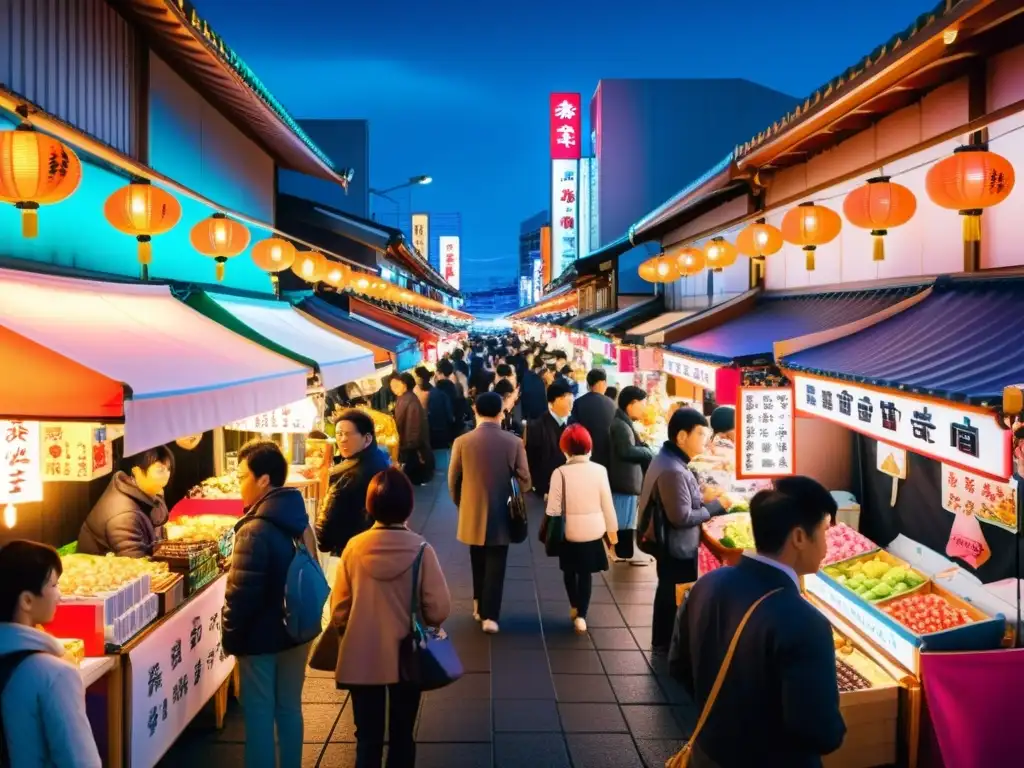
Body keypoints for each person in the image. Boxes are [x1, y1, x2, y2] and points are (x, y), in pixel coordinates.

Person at [669, 477, 846, 767]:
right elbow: (821, 732)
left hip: (708, 753)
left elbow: (678, 666)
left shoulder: (706, 584)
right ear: (799, 537)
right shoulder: (805, 622)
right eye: (824, 532)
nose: (826, 547)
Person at [331, 468, 451, 768]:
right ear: (408, 506)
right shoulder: (422, 550)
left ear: (370, 505)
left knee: (367, 738)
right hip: (407, 657)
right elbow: (438, 609)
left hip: (362, 654)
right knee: (402, 735)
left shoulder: (354, 548)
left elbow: (339, 610)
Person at [223, 440, 319, 768]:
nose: (238, 484)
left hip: (262, 639)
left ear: (263, 480)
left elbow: (240, 595)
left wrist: (231, 639)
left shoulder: (254, 530)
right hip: (297, 631)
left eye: (241, 476)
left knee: (259, 713)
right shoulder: (300, 519)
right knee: (289, 707)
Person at [0, 541, 102, 767]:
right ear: (27, 600)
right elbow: (80, 762)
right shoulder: (54, 675)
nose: (60, 596)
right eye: (54, 585)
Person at [638, 408, 732, 651]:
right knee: (672, 590)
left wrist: (702, 498)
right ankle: (668, 644)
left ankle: (663, 641)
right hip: (675, 544)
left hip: (670, 542)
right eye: (700, 434)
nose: (704, 439)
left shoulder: (670, 461)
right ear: (682, 436)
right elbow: (681, 517)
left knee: (668, 589)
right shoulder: (672, 469)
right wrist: (715, 506)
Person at [449, 392, 531, 634]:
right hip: (502, 510)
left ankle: (477, 604)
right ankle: (490, 616)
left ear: (475, 411)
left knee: (477, 557)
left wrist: (461, 503)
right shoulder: (513, 442)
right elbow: (525, 480)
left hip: (472, 509)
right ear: (500, 413)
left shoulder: (462, 442)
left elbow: (453, 480)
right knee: (497, 560)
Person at [545, 425, 618, 634]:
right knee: (586, 574)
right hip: (593, 532)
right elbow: (607, 505)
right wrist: (613, 533)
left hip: (568, 533)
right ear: (589, 447)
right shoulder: (600, 471)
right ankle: (582, 617)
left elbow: (553, 510)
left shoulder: (559, 473)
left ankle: (574, 605)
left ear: (564, 449)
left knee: (569, 571)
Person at [316, 409, 391, 556]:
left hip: (350, 551)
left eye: (348, 434)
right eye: (339, 434)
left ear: (367, 438)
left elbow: (324, 537)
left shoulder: (349, 477)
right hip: (375, 546)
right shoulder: (379, 458)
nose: (342, 439)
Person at [77, 446, 173, 558]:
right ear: (137, 472)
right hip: (104, 572)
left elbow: (158, 534)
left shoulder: (151, 493)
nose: (167, 475)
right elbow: (135, 563)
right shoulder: (125, 515)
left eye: (168, 469)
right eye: (160, 470)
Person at [608, 386, 655, 564]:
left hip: (626, 479)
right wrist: (647, 452)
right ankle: (623, 553)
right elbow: (625, 451)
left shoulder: (623, 422)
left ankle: (625, 551)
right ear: (631, 404)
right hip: (624, 480)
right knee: (624, 520)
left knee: (626, 519)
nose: (644, 409)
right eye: (642, 404)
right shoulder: (621, 425)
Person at [524, 381, 573, 498]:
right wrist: (542, 488)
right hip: (545, 493)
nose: (571, 403)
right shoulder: (537, 427)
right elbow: (533, 460)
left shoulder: (573, 424)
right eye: (567, 399)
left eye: (572, 399)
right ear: (555, 401)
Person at [391, 372, 433, 484]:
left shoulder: (409, 400)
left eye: (396, 385)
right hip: (409, 444)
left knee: (411, 472)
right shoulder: (404, 398)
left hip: (410, 444)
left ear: (404, 385)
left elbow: (414, 426)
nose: (393, 388)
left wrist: (408, 445)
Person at [569, 369, 617, 469]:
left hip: (585, 457)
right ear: (603, 383)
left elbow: (572, 429)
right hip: (608, 458)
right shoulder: (612, 404)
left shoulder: (579, 403)